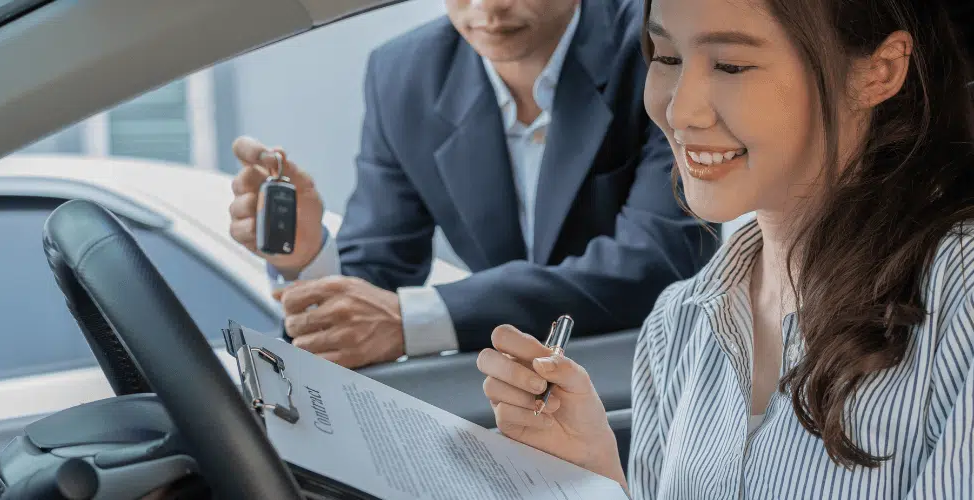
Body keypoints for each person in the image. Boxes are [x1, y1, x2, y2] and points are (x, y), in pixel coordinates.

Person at [476, 0, 974, 496]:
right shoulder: (679, 323)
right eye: (666, 57)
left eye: (731, 64)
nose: (681, 109)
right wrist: (598, 475)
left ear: (878, 72)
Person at [228, 0, 716, 369]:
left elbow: (657, 262)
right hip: (501, 390)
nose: (489, 7)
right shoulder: (405, 75)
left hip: (656, 372)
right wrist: (308, 257)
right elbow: (375, 277)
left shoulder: (658, 47)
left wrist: (413, 320)